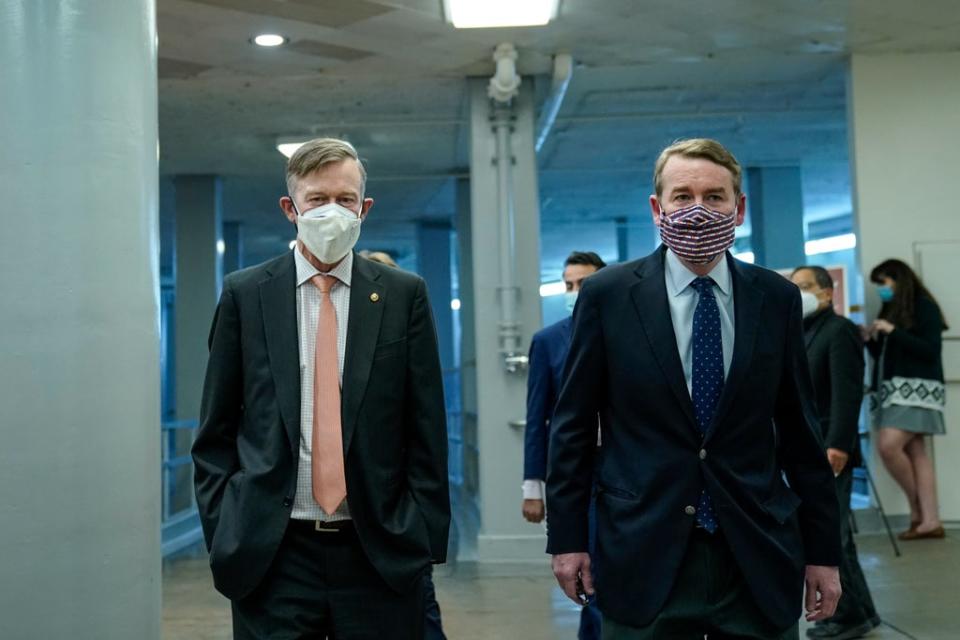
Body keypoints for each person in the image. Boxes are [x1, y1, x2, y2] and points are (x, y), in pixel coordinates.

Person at [546, 138, 842, 639]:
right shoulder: (608, 296)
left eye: (715, 196)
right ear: (657, 208)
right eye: (682, 197)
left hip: (754, 551)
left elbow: (799, 432)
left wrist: (823, 553)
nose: (698, 210)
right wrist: (568, 540)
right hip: (643, 547)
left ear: (739, 208)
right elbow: (573, 425)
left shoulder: (776, 298)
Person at [192, 137, 450, 639]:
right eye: (317, 199)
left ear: (364, 208)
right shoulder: (247, 294)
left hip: (378, 549)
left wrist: (420, 537)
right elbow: (215, 428)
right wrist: (227, 530)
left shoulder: (402, 295)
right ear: (291, 208)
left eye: (345, 199)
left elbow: (426, 426)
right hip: (273, 551)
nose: (332, 210)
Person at [358, 247, 448, 640]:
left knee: (420, 616)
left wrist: (420, 521)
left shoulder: (408, 337)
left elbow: (425, 425)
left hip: (398, 516)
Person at [792, 266, 880, 640]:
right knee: (835, 533)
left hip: (831, 449)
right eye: (794, 288)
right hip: (809, 451)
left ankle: (846, 617)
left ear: (828, 293)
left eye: (806, 287)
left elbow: (847, 393)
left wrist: (839, 444)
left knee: (832, 536)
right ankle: (862, 612)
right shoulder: (805, 331)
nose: (800, 294)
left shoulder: (839, 330)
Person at [523, 250, 606, 640]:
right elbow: (537, 420)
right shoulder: (549, 341)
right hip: (576, 481)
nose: (574, 291)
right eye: (568, 284)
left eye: (583, 284)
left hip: (627, 476)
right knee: (587, 579)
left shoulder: (627, 333)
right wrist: (532, 487)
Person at [864, 259, 948, 541]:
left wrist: (893, 332)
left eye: (883, 283)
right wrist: (871, 339)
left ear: (899, 281)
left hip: (916, 390)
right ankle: (928, 520)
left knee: (889, 446)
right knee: (916, 453)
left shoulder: (923, 306)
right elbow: (886, 355)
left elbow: (930, 350)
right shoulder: (892, 309)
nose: (881, 290)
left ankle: (920, 510)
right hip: (894, 390)